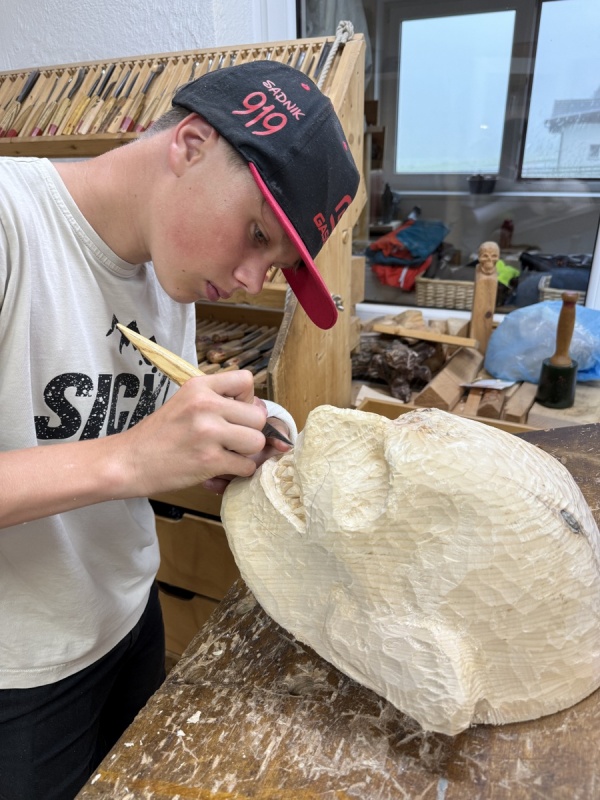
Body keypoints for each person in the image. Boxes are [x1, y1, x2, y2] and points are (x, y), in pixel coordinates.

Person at [0, 59, 359, 799]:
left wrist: (228, 441)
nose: (252, 278)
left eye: (276, 264)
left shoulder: (170, 268)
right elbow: (128, 454)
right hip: (20, 669)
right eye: (256, 234)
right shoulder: (13, 227)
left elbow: (148, 426)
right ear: (191, 144)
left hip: (128, 616)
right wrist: (133, 458)